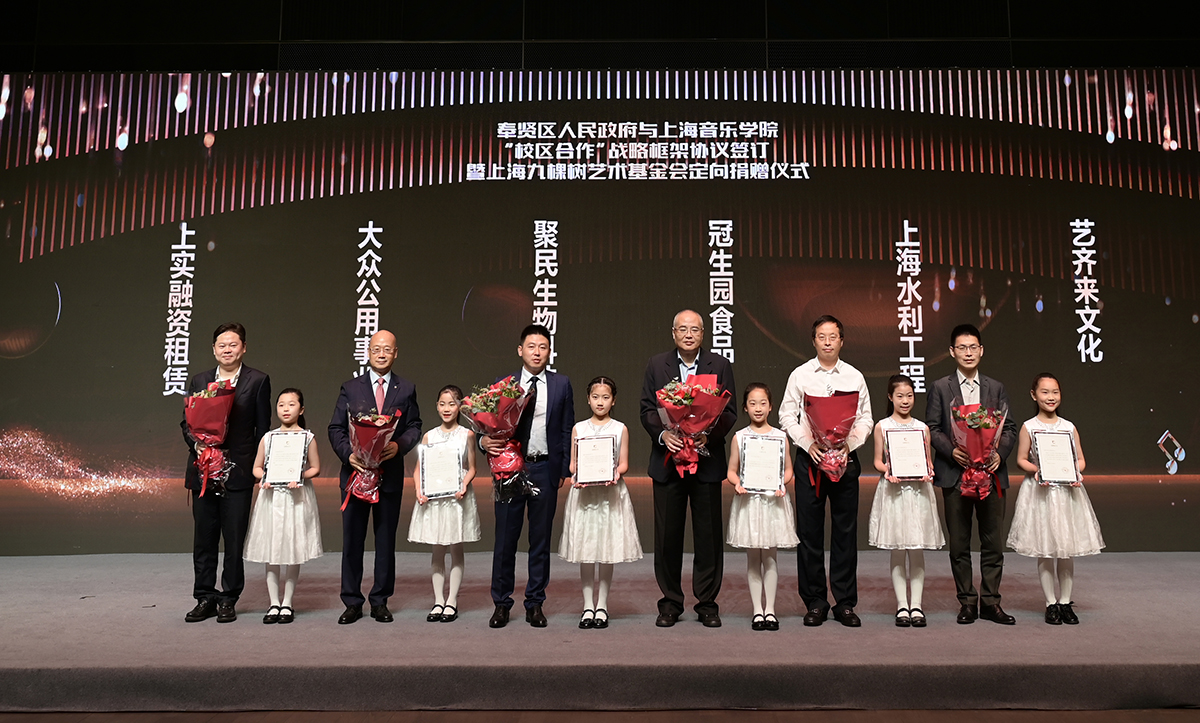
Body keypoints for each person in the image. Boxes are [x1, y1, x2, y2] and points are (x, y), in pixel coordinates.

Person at [639, 309, 737, 628]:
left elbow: (729, 412)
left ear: (703, 333)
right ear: (673, 333)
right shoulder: (657, 365)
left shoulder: (719, 365)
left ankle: (707, 603)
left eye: (695, 329)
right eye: (683, 329)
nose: (689, 334)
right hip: (668, 464)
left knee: (708, 537)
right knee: (667, 537)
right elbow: (647, 409)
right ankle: (670, 603)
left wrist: (707, 435)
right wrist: (663, 435)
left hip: (706, 463)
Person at [778, 315, 873, 627]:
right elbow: (786, 415)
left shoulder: (855, 376)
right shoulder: (801, 374)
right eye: (822, 336)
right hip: (811, 461)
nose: (828, 342)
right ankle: (815, 602)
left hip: (845, 461)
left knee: (845, 532)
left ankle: (844, 602)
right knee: (810, 533)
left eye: (833, 336)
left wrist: (850, 445)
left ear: (842, 341)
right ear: (814, 341)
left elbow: (865, 418)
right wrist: (808, 444)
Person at [481, 324, 574, 628]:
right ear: (520, 350)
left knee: (540, 540)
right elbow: (487, 425)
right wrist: (483, 443)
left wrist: (562, 469)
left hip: (544, 468)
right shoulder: (505, 384)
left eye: (542, 347)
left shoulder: (561, 384)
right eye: (531, 346)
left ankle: (535, 603)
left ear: (550, 352)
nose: (537, 352)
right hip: (510, 468)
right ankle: (501, 603)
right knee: (505, 540)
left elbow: (565, 428)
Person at [926, 323, 1019, 625]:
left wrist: (999, 454)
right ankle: (967, 601)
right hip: (956, 475)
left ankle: (991, 602)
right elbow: (933, 428)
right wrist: (951, 451)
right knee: (959, 543)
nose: (968, 353)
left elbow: (1009, 428)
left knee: (993, 542)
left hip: (991, 474)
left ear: (981, 350)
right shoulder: (941, 387)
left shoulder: (996, 387)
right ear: (952, 352)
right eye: (962, 348)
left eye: (973, 347)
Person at [328, 330, 422, 624]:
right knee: (352, 541)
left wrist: (399, 446)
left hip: (388, 475)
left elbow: (414, 426)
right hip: (355, 475)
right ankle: (352, 601)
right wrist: (348, 455)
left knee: (385, 542)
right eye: (376, 349)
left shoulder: (406, 389)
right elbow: (336, 428)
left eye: (387, 349)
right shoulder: (350, 388)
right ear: (368, 352)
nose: (382, 354)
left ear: (396, 353)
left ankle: (380, 601)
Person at [181, 322, 271, 624]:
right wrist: (199, 446)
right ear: (213, 349)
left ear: (243, 348)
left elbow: (262, 429)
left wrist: (258, 467)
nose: (227, 350)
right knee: (204, 538)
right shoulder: (200, 379)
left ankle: (229, 598)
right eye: (222, 345)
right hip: (204, 469)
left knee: (233, 539)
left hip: (238, 471)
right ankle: (204, 596)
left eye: (233, 344)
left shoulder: (258, 380)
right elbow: (187, 423)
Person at [1007, 373, 1104, 625]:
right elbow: (1021, 460)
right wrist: (1037, 470)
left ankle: (1065, 603)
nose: (1051, 397)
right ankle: (1050, 603)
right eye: (1045, 392)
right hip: (1040, 494)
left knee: (1066, 550)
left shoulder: (1069, 427)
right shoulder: (1029, 427)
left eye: (1055, 392)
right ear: (1034, 395)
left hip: (1066, 493)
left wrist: (1075, 472)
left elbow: (1080, 459)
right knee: (1045, 548)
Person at [558, 376, 643, 630]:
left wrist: (614, 473)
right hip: (585, 495)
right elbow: (573, 464)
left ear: (613, 400)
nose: (600, 402)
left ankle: (602, 606)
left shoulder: (620, 428)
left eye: (606, 397)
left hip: (610, 495)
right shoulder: (579, 429)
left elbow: (624, 463)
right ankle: (587, 606)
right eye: (595, 397)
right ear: (588, 399)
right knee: (586, 551)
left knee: (607, 550)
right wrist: (578, 474)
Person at [868, 374, 944, 628]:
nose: (905, 401)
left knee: (917, 548)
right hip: (894, 492)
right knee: (898, 548)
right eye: (899, 396)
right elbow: (877, 461)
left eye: (909, 396)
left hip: (918, 492)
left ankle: (917, 605)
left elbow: (927, 462)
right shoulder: (882, 426)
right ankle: (902, 605)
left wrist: (928, 471)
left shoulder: (922, 428)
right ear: (890, 397)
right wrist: (888, 470)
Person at [244, 388, 323, 624]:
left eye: (291, 404)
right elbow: (256, 468)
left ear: (301, 409)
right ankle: (273, 603)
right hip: (272, 499)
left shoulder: (307, 437)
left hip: (295, 498)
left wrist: (299, 476)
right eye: (281, 405)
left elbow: (315, 468)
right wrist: (265, 478)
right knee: (271, 550)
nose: (286, 409)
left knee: (292, 549)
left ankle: (287, 602)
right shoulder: (268, 438)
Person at [725, 383, 799, 631]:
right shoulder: (740, 437)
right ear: (745, 408)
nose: (758, 408)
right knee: (753, 558)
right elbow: (731, 471)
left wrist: (782, 484)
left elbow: (788, 470)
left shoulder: (780, 437)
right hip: (750, 503)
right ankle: (758, 610)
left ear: (771, 407)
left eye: (763, 403)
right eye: (753, 403)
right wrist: (737, 484)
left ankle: (771, 610)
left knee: (770, 557)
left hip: (772, 503)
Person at [407, 385, 481, 624]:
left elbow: (472, 468)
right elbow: (419, 469)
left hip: (456, 498)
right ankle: (438, 600)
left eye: (452, 403)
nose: (447, 408)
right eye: (442, 404)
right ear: (437, 406)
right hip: (434, 499)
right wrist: (419, 491)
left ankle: (452, 601)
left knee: (456, 548)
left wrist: (464, 485)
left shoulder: (467, 435)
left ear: (460, 407)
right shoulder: (429, 436)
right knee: (437, 549)